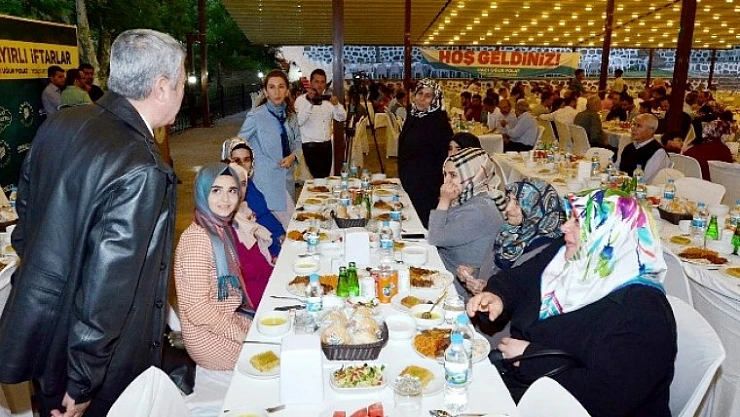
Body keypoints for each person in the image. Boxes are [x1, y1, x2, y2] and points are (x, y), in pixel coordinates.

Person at [0, 29, 184, 417]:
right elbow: (109, 286)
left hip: (46, 336)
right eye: (182, 81)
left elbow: (25, 223)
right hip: (98, 364)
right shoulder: (142, 166)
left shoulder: (60, 124)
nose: (183, 91)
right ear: (161, 87)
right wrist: (83, 379)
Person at [467, 189, 676, 415]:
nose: (564, 227)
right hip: (533, 390)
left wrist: (532, 359)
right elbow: (521, 278)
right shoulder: (573, 257)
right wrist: (498, 295)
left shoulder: (643, 314)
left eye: (577, 222)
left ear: (610, 237)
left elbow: (605, 399)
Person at [175, 163, 271, 373]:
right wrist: (240, 335)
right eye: (216, 190)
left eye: (232, 191)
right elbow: (198, 310)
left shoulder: (219, 229)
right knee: (279, 360)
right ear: (202, 192)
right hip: (209, 339)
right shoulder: (197, 241)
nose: (226, 200)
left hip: (228, 318)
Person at [457, 180, 564, 295]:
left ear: (537, 209)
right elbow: (492, 270)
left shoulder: (545, 252)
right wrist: (472, 274)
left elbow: (526, 297)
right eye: (509, 200)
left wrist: (490, 290)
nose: (508, 208)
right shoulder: (509, 231)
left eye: (517, 203)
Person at [427, 148, 505, 297]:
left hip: (456, 284)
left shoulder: (479, 209)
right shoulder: (470, 197)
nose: (446, 181)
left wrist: (444, 200)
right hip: (448, 268)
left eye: (453, 175)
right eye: (445, 174)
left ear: (474, 175)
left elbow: (435, 238)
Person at [238, 69, 301, 228]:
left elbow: (298, 141)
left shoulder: (291, 115)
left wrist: (293, 156)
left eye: (281, 87)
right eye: (272, 87)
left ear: (287, 90)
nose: (277, 92)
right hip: (265, 181)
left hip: (286, 177)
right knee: (274, 226)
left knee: (288, 226)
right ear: (265, 92)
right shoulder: (256, 116)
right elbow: (238, 144)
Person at [398, 78, 454, 228]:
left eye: (428, 96)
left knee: (422, 225)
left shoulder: (439, 123)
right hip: (410, 180)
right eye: (420, 93)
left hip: (427, 186)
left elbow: (445, 159)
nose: (422, 99)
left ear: (435, 99)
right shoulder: (413, 115)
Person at [221, 137, 285, 257]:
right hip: (260, 248)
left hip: (273, 239)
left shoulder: (249, 184)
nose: (242, 165)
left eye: (247, 160)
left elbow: (265, 214)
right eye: (237, 160)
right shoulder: (228, 197)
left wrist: (281, 235)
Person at [294, 69, 347, 178]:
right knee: (319, 178)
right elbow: (298, 122)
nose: (319, 85)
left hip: (327, 146)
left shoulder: (328, 101)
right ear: (311, 82)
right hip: (310, 146)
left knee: (325, 178)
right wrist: (310, 103)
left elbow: (342, 117)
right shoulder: (301, 100)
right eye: (316, 81)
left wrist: (337, 105)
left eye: (322, 82)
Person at [617, 113, 670, 182]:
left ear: (651, 131)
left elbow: (646, 180)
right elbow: (617, 168)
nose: (633, 128)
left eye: (638, 126)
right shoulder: (629, 147)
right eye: (633, 124)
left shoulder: (658, 152)